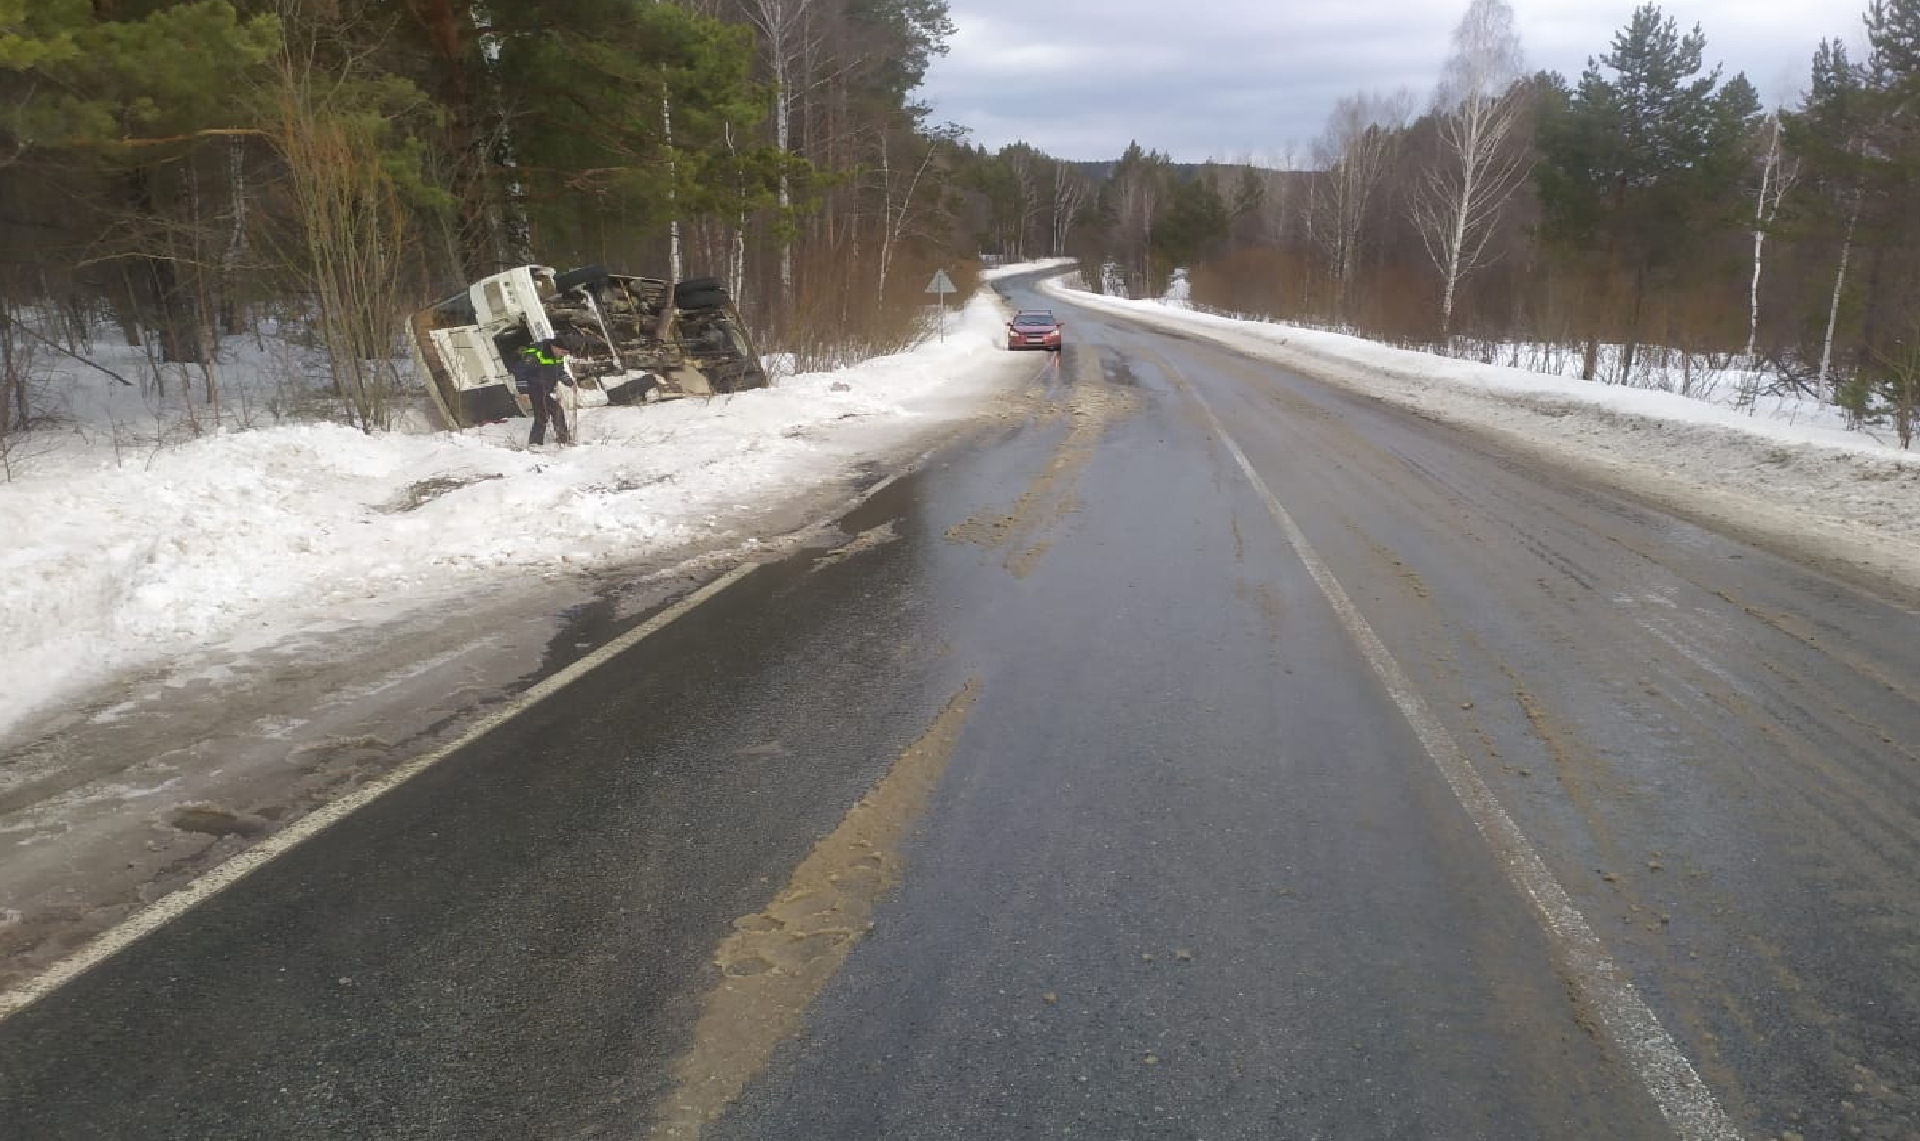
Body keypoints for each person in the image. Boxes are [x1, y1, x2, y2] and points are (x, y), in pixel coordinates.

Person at [513, 338, 573, 447]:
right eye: (563, 352)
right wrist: (523, 391)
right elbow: (521, 371)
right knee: (554, 411)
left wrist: (569, 382)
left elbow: (560, 371)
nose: (564, 355)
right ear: (555, 347)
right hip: (535, 388)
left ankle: (539, 441)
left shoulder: (558, 356)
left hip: (546, 389)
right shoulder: (535, 352)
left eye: (566, 353)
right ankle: (559, 439)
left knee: (544, 414)